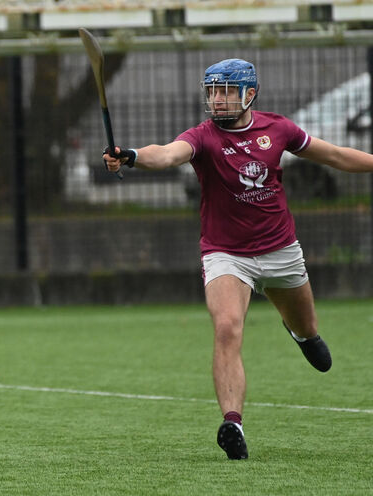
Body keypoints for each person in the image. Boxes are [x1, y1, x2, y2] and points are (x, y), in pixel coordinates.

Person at [103, 58, 373, 460]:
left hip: (280, 250)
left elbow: (333, 155)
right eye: (212, 91)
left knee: (308, 325)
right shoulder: (203, 137)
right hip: (227, 254)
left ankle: (301, 334)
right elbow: (167, 155)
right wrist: (131, 154)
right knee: (227, 327)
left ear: (249, 94)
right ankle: (233, 423)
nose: (218, 99)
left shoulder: (278, 129)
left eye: (227, 91)